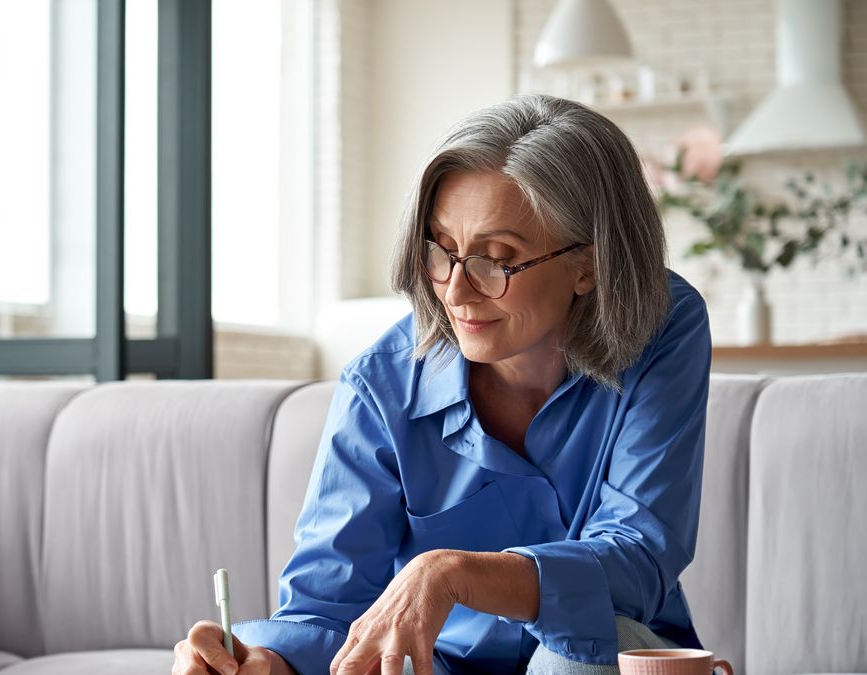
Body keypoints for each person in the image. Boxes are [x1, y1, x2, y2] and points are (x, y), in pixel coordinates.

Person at [171, 94, 711, 675]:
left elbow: (638, 557)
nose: (454, 292)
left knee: (574, 657)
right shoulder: (381, 385)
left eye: (496, 259)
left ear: (589, 264)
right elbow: (328, 611)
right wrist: (260, 661)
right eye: (441, 251)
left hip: (607, 654)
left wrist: (452, 574)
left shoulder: (663, 325)